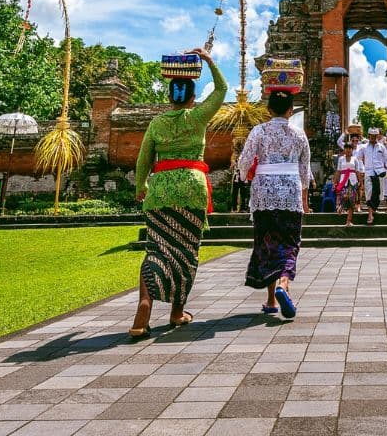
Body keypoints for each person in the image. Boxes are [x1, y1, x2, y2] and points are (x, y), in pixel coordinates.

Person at [129, 47, 225, 338]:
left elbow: (144, 159)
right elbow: (221, 88)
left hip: (160, 192)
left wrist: (140, 186)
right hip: (192, 190)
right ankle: (176, 311)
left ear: (170, 96)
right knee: (185, 252)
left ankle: (143, 307)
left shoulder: (157, 123)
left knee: (156, 249)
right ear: (193, 96)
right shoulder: (198, 117)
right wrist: (208, 59)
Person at [238, 60, 311, 319]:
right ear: (291, 110)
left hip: (263, 194)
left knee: (268, 243)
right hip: (290, 192)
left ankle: (271, 300)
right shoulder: (299, 134)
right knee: (290, 243)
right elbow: (305, 170)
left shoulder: (258, 131)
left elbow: (244, 161)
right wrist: (304, 199)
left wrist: (247, 178)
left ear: (269, 109)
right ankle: (282, 285)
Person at [359, 127, 387, 225]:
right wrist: (361, 169)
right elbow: (357, 159)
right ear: (368, 136)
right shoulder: (363, 147)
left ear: (378, 136)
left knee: (378, 193)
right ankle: (370, 214)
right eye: (371, 136)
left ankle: (373, 209)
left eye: (375, 136)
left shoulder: (381, 147)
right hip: (368, 173)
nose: (373, 138)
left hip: (379, 172)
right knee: (369, 193)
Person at [335, 143, 364, 226]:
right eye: (346, 148)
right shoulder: (341, 159)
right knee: (344, 195)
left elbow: (357, 171)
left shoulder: (355, 159)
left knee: (352, 200)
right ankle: (342, 205)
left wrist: (361, 182)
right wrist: (335, 182)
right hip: (343, 180)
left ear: (352, 149)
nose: (348, 150)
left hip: (353, 180)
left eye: (349, 148)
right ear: (344, 149)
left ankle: (348, 220)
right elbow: (338, 171)